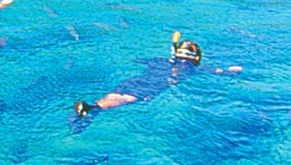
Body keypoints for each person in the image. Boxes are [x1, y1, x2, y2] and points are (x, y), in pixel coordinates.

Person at [71, 31, 217, 127]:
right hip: (152, 85)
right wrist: (233, 70)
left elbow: (139, 60)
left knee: (115, 95)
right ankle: (91, 109)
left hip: (135, 79)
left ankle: (89, 111)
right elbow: (220, 71)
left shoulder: (159, 60)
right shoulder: (192, 68)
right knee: (127, 99)